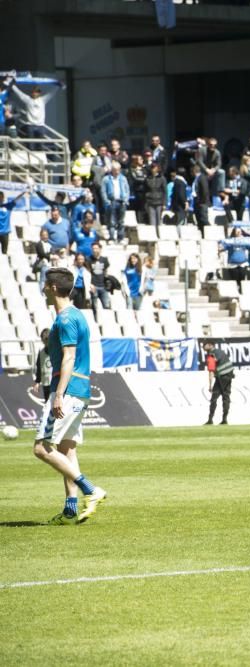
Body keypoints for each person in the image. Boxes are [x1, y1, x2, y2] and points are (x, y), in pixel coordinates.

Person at [32, 267, 108, 525]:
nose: (43, 289)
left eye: (45, 285)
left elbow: (69, 357)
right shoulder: (77, 315)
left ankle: (91, 490)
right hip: (80, 389)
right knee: (67, 449)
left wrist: (58, 395)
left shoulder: (65, 319)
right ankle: (70, 508)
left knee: (41, 448)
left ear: (53, 288)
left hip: (68, 389)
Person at [203, 340, 235, 426]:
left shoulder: (211, 355)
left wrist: (210, 385)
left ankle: (210, 419)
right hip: (229, 375)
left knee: (214, 398)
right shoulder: (220, 351)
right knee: (226, 397)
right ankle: (224, 419)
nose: (203, 347)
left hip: (221, 377)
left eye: (204, 345)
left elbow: (211, 372)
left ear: (210, 345)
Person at [100, 162, 130, 244]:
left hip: (122, 201)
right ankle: (112, 238)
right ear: (112, 170)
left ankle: (121, 237)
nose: (117, 171)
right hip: (111, 201)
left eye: (118, 170)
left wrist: (126, 200)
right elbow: (103, 191)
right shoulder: (106, 179)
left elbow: (127, 190)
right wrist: (106, 201)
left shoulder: (123, 178)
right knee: (111, 221)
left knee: (121, 221)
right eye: (115, 170)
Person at [0, 189, 28, 254]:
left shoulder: (8, 206)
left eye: (1, 197)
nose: (0, 198)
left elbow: (16, 199)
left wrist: (23, 191)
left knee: (4, 252)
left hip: (5, 233)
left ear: (3, 198)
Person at [32, 328, 53, 401]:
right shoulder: (41, 353)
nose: (46, 342)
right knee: (48, 404)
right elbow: (39, 367)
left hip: (56, 383)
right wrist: (37, 382)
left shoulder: (57, 351)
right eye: (44, 340)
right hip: (46, 384)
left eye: (47, 340)